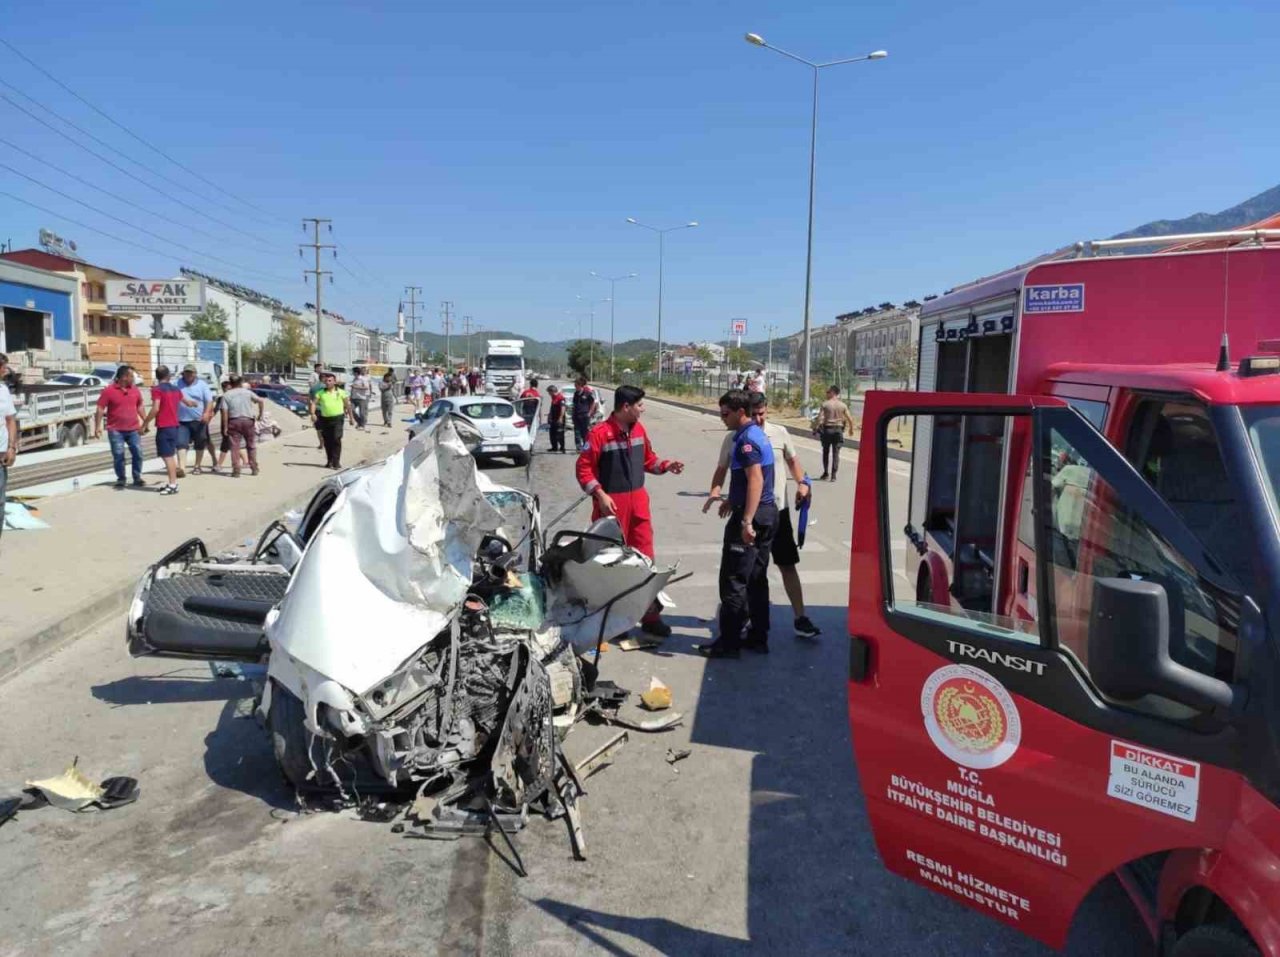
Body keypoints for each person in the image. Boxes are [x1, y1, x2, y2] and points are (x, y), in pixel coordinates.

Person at [706, 392, 820, 639]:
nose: (758, 419)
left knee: (785, 565)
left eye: (762, 414)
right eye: (754, 414)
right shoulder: (735, 438)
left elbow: (793, 463)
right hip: (757, 513)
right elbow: (725, 470)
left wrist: (803, 483)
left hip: (777, 512)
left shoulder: (778, 433)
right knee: (751, 572)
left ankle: (800, 617)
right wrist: (719, 492)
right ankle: (749, 623)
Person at [576, 384, 684, 637]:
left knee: (646, 562)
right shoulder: (600, 434)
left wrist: (667, 465)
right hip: (611, 507)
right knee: (613, 564)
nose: (643, 409)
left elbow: (649, 460)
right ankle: (615, 622)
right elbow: (583, 470)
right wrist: (600, 494)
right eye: (640, 405)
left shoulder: (639, 430)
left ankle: (651, 616)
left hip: (638, 504)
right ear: (626, 407)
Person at [699, 389, 779, 658]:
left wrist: (746, 521)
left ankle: (730, 642)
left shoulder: (746, 440)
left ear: (740, 412)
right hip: (767, 512)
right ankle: (758, 636)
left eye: (725, 414)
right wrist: (731, 500)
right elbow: (747, 481)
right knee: (757, 578)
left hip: (753, 515)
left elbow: (755, 479)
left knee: (733, 580)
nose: (722, 419)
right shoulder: (756, 435)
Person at [141, 365, 199, 495]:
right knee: (169, 456)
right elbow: (187, 402)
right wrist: (194, 404)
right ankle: (171, 483)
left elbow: (156, 408)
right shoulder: (176, 389)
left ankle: (173, 484)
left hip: (164, 426)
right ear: (169, 376)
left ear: (157, 376)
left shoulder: (157, 390)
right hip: (175, 426)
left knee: (167, 457)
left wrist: (144, 424)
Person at [94, 365, 147, 489]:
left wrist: (145, 421)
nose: (134, 378)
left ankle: (137, 477)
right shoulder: (109, 390)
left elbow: (140, 406)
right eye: (132, 376)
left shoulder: (135, 390)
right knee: (118, 454)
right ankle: (121, 479)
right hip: (115, 430)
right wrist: (97, 426)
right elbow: (100, 408)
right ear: (124, 377)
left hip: (133, 429)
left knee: (138, 453)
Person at [220, 375, 265, 477]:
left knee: (235, 447)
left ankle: (236, 469)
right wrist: (260, 414)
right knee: (251, 445)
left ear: (230, 384)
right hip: (248, 421)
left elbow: (225, 412)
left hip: (234, 421)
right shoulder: (247, 392)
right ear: (241, 382)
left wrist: (225, 426)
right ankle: (254, 467)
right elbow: (261, 400)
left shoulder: (226, 395)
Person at [175, 364, 215, 475]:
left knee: (200, 442)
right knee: (181, 443)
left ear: (195, 374)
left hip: (199, 420)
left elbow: (209, 401)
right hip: (182, 420)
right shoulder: (177, 383)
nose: (188, 375)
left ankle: (197, 466)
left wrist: (207, 413)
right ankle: (181, 468)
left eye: (191, 373)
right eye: (186, 372)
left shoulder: (202, 385)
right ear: (183, 373)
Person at [812, 385, 857, 481]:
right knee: (836, 453)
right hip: (838, 430)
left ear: (833, 392)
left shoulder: (825, 404)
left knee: (826, 452)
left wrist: (815, 428)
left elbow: (820, 418)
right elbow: (850, 419)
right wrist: (851, 429)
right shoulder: (843, 405)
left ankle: (825, 473)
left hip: (827, 430)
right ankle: (833, 476)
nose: (827, 394)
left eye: (828, 392)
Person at [314, 372, 354, 469]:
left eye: (330, 381)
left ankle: (336, 462)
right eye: (326, 381)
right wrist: (312, 414)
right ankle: (329, 461)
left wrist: (351, 418)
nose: (328, 382)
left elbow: (347, 406)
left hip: (338, 418)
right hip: (325, 419)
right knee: (327, 441)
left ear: (334, 382)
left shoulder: (341, 392)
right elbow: (313, 403)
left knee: (336, 438)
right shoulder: (320, 393)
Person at [0, 353, 17, 544]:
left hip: (1, 455)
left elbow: (10, 420)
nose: (5, 370)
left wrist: (12, 447)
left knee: (0, 503)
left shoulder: (3, 390)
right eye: (3, 367)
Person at [571, 376, 597, 451]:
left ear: (580, 385)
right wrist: (573, 414)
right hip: (576, 416)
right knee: (577, 432)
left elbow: (593, 403)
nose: (575, 387)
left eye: (576, 385)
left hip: (585, 416)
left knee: (585, 433)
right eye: (575, 385)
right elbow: (574, 404)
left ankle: (586, 447)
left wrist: (590, 413)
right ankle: (578, 447)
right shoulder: (576, 394)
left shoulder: (588, 393)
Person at [349, 366, 372, 431]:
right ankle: (359, 422)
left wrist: (356, 387)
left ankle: (362, 425)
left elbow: (366, 387)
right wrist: (350, 396)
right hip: (353, 397)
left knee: (362, 413)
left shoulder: (363, 379)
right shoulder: (354, 379)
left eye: (353, 372)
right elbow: (352, 388)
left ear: (356, 373)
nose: (352, 373)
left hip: (361, 398)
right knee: (351, 410)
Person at [546, 384, 567, 452]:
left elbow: (563, 408)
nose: (549, 394)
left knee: (560, 434)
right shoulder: (554, 398)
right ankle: (554, 447)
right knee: (552, 434)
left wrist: (560, 418)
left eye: (549, 392)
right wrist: (549, 416)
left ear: (552, 391)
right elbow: (552, 408)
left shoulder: (560, 398)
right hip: (554, 419)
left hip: (559, 419)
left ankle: (562, 447)